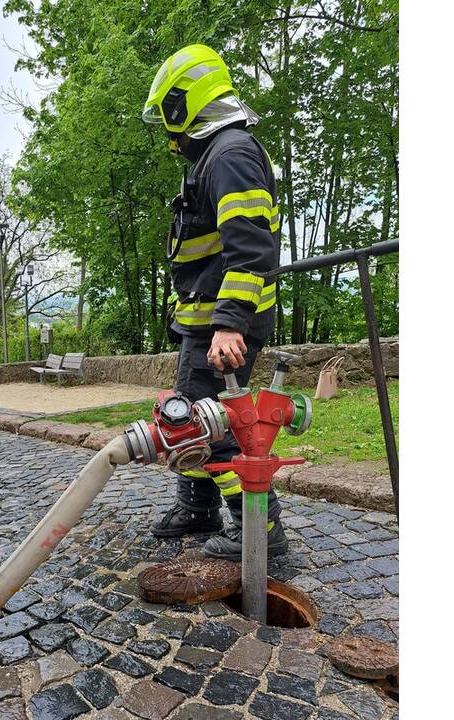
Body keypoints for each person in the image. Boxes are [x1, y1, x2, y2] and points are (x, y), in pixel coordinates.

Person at [141, 43, 287, 559]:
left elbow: (251, 251)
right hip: (204, 319)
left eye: (169, 123)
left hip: (221, 325)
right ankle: (198, 505)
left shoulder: (229, 156)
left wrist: (229, 325)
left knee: (213, 425)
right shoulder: (218, 155)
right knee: (187, 421)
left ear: (184, 106)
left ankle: (259, 530)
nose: (170, 138)